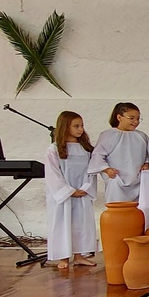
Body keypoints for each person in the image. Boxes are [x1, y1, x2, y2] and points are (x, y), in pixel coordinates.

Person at [44, 111, 97, 270]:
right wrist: (68, 191)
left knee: (81, 224)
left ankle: (79, 255)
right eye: (76, 126)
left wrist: (85, 188)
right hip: (64, 195)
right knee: (63, 224)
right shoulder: (54, 149)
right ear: (65, 127)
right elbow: (53, 173)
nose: (80, 129)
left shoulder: (85, 149)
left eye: (82, 126)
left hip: (82, 192)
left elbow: (92, 170)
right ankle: (64, 257)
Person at [89, 102, 149, 202]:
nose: (136, 121)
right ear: (119, 117)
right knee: (117, 208)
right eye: (131, 118)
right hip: (116, 180)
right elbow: (98, 155)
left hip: (139, 180)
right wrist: (106, 169)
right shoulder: (108, 135)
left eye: (138, 118)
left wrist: (147, 163)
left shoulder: (142, 136)